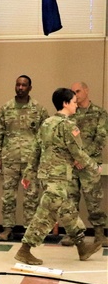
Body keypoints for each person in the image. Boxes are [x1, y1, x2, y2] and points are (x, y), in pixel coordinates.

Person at [14, 88, 102, 266]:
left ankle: (82, 247)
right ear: (65, 103)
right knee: (46, 214)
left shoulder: (46, 123)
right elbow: (77, 152)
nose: (76, 105)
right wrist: (94, 168)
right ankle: (25, 250)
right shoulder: (68, 125)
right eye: (74, 102)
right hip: (58, 177)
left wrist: (29, 173)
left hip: (47, 176)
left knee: (67, 210)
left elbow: (36, 150)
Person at [0, 75, 49, 241]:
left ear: (30, 88)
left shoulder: (39, 109)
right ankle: (7, 228)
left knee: (31, 196)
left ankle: (30, 230)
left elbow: (46, 136)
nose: (20, 88)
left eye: (24, 85)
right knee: (8, 195)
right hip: (10, 159)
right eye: (18, 84)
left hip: (31, 161)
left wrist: (43, 159)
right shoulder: (5, 109)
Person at [60, 81, 106, 246]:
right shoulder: (70, 113)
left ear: (86, 91)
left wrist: (83, 158)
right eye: (72, 92)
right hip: (72, 165)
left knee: (94, 201)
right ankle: (73, 234)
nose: (75, 94)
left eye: (78, 91)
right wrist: (75, 159)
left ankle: (100, 234)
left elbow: (100, 139)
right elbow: (65, 138)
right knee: (70, 200)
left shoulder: (99, 113)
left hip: (90, 164)